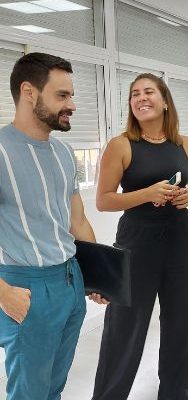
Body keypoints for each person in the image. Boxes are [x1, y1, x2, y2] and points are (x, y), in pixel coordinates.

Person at [92, 73, 188, 400]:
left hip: (179, 238)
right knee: (124, 324)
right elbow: (103, 201)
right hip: (137, 242)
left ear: (165, 101)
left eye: (149, 92)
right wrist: (147, 193)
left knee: (181, 320)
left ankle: (178, 391)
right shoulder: (121, 145)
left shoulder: (184, 144)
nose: (141, 98)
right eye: (135, 94)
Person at [0, 52, 105, 400]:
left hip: (71, 282)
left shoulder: (64, 153)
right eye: (62, 95)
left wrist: (98, 277)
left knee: (53, 388)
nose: (71, 105)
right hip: (26, 287)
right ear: (29, 92)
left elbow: (78, 221)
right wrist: (3, 293)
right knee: (29, 394)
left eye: (71, 95)